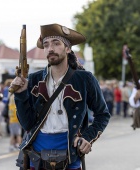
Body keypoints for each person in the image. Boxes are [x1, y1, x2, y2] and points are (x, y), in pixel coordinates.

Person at [11, 23, 111, 170]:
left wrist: (87, 137)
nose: (50, 49)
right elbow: (27, 124)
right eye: (46, 45)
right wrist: (20, 95)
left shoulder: (84, 79)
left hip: (70, 156)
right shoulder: (33, 80)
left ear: (68, 48)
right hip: (36, 157)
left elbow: (103, 114)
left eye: (56, 43)